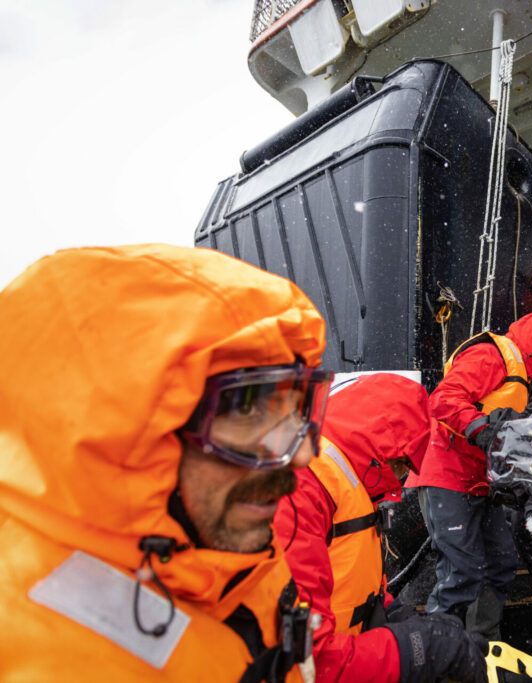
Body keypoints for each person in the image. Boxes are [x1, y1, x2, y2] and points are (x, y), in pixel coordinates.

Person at [0, 244, 332, 681]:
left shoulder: (226, 553)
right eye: (245, 409)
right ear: (123, 433)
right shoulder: (36, 657)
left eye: (296, 410)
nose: (303, 455)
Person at [274, 373, 485, 683]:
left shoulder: (349, 481)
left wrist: (395, 613)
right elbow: (306, 663)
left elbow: (350, 578)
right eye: (399, 463)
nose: (398, 478)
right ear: (378, 445)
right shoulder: (301, 492)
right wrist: (420, 647)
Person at [406, 312, 532, 641]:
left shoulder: (519, 377)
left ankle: (480, 645)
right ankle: (441, 656)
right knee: (461, 571)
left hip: (480, 482)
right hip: (448, 475)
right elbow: (443, 399)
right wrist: (480, 430)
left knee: (501, 563)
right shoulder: (491, 356)